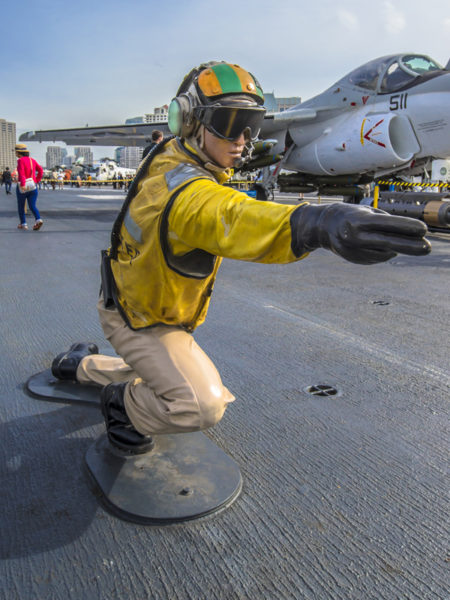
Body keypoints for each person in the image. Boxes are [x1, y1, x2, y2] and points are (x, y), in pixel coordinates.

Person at [50, 61, 431, 454]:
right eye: (230, 122)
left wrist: (234, 149)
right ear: (190, 121)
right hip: (143, 319)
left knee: (149, 368)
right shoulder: (188, 197)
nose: (242, 140)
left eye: (251, 125)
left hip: (134, 298)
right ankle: (122, 407)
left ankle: (76, 365)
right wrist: (316, 222)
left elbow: (217, 171)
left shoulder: (172, 153)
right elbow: (231, 215)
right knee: (198, 404)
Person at [15, 143, 44, 231]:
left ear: (18, 153)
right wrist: (37, 180)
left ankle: (24, 224)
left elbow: (21, 173)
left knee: (21, 206)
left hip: (23, 187)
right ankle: (38, 219)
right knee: (32, 205)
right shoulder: (32, 160)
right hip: (32, 186)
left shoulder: (20, 161)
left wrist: (23, 184)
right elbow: (41, 170)